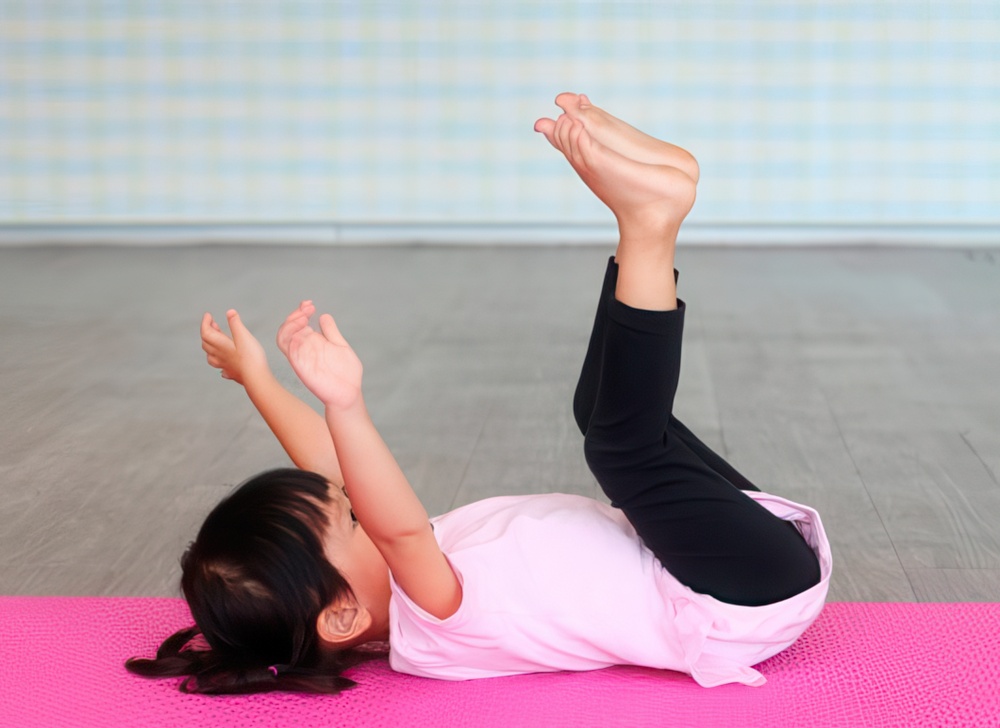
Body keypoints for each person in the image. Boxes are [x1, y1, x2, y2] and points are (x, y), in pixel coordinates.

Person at [127, 93, 830, 696]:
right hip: (738, 593)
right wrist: (347, 403)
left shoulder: (395, 578)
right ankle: (649, 227)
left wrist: (259, 379)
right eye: (349, 522)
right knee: (622, 443)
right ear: (341, 615)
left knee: (603, 413)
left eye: (347, 504)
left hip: (728, 558)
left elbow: (334, 473)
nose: (359, 506)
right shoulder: (432, 618)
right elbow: (395, 523)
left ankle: (663, 196)